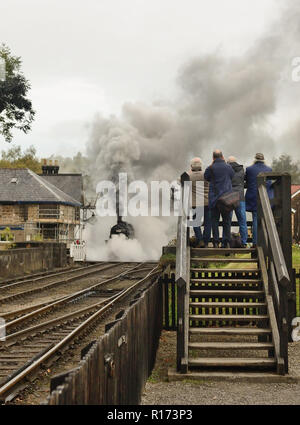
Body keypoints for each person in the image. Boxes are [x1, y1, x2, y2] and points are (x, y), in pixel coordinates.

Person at [204, 150, 234, 248]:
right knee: (227, 222)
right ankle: (227, 242)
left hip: (214, 199)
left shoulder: (210, 168)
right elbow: (232, 176)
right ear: (222, 156)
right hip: (226, 199)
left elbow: (206, 177)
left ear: (213, 157)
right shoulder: (228, 167)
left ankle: (216, 242)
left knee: (215, 222)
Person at [245, 153, 273, 247]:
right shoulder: (269, 169)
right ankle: (266, 243)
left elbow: (247, 181)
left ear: (255, 159)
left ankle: (255, 243)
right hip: (266, 197)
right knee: (266, 220)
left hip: (253, 197)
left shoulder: (249, 169)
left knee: (255, 220)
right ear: (263, 159)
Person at [187, 157, 211, 247]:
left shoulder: (189, 176)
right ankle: (206, 242)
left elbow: (179, 181)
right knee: (208, 223)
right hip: (207, 202)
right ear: (201, 165)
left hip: (195, 203)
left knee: (195, 222)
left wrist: (189, 172)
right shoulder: (206, 174)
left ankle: (200, 239)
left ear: (191, 166)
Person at [227, 156, 248, 248]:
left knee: (227, 221)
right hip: (240, 197)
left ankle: (227, 242)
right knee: (242, 221)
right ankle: (243, 242)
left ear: (228, 163)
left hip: (229, 197)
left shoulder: (226, 170)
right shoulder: (241, 170)